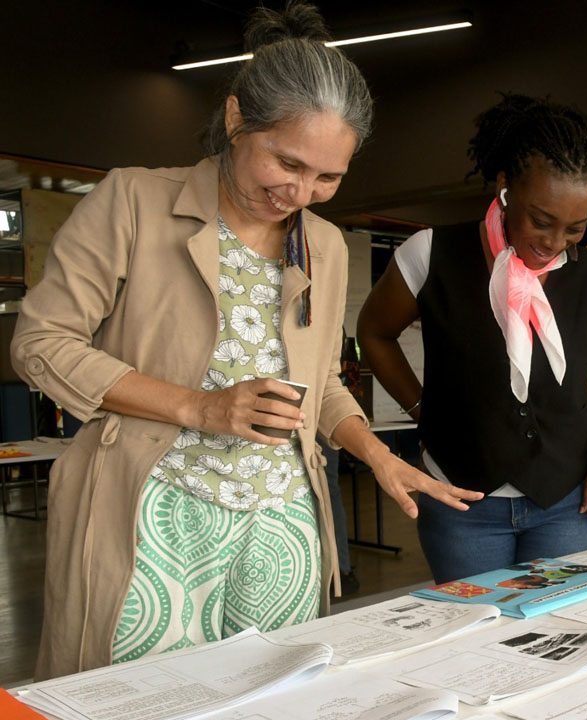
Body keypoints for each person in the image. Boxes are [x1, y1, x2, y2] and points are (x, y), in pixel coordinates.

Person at [11, 1, 479, 680]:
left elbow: (317, 386)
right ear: (236, 120)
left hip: (281, 522)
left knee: (270, 714)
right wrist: (198, 407)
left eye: (327, 178)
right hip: (154, 513)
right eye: (286, 162)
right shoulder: (133, 203)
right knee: (143, 711)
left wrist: (378, 456)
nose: (299, 191)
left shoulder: (323, 243)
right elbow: (40, 342)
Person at [358, 94, 587, 583]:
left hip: (568, 503)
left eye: (574, 229)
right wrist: (421, 408)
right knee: (475, 640)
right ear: (505, 186)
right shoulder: (431, 254)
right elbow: (374, 333)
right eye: (541, 221)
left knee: (564, 635)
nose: (554, 243)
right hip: (460, 503)